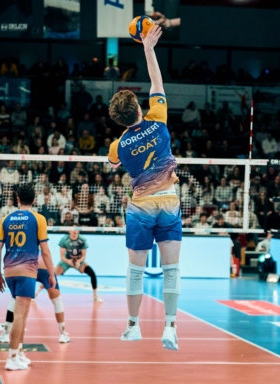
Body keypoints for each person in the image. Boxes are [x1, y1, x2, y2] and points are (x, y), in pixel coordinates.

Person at [108, 25, 181, 350]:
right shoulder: (158, 119)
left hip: (140, 208)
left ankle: (133, 326)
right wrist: (148, 48)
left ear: (120, 121)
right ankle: (170, 327)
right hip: (169, 201)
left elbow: (113, 164)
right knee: (171, 269)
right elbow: (157, 82)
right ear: (140, 109)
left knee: (135, 270)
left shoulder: (117, 146)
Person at [0, 184, 56, 371]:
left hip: (9, 271)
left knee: (23, 314)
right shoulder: (38, 219)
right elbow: (45, 251)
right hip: (27, 271)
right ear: (34, 200)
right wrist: (51, 273)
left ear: (18, 199)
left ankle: (19, 352)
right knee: (20, 315)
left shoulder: (6, 219)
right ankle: (11, 357)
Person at [0, 252, 70, 345]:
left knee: (15, 298)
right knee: (57, 300)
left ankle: (5, 334)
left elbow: (1, 252)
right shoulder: (41, 242)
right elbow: (46, 252)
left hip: (26, 265)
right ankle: (62, 334)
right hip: (44, 265)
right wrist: (52, 273)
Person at [55, 226, 102, 303]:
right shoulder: (64, 239)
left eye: (76, 230)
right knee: (52, 275)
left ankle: (95, 296)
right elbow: (62, 257)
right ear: (69, 231)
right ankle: (36, 293)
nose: (74, 232)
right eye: (72, 230)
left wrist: (78, 261)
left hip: (78, 260)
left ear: (78, 231)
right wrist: (68, 261)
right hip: (66, 261)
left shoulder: (82, 240)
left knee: (92, 273)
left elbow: (84, 256)